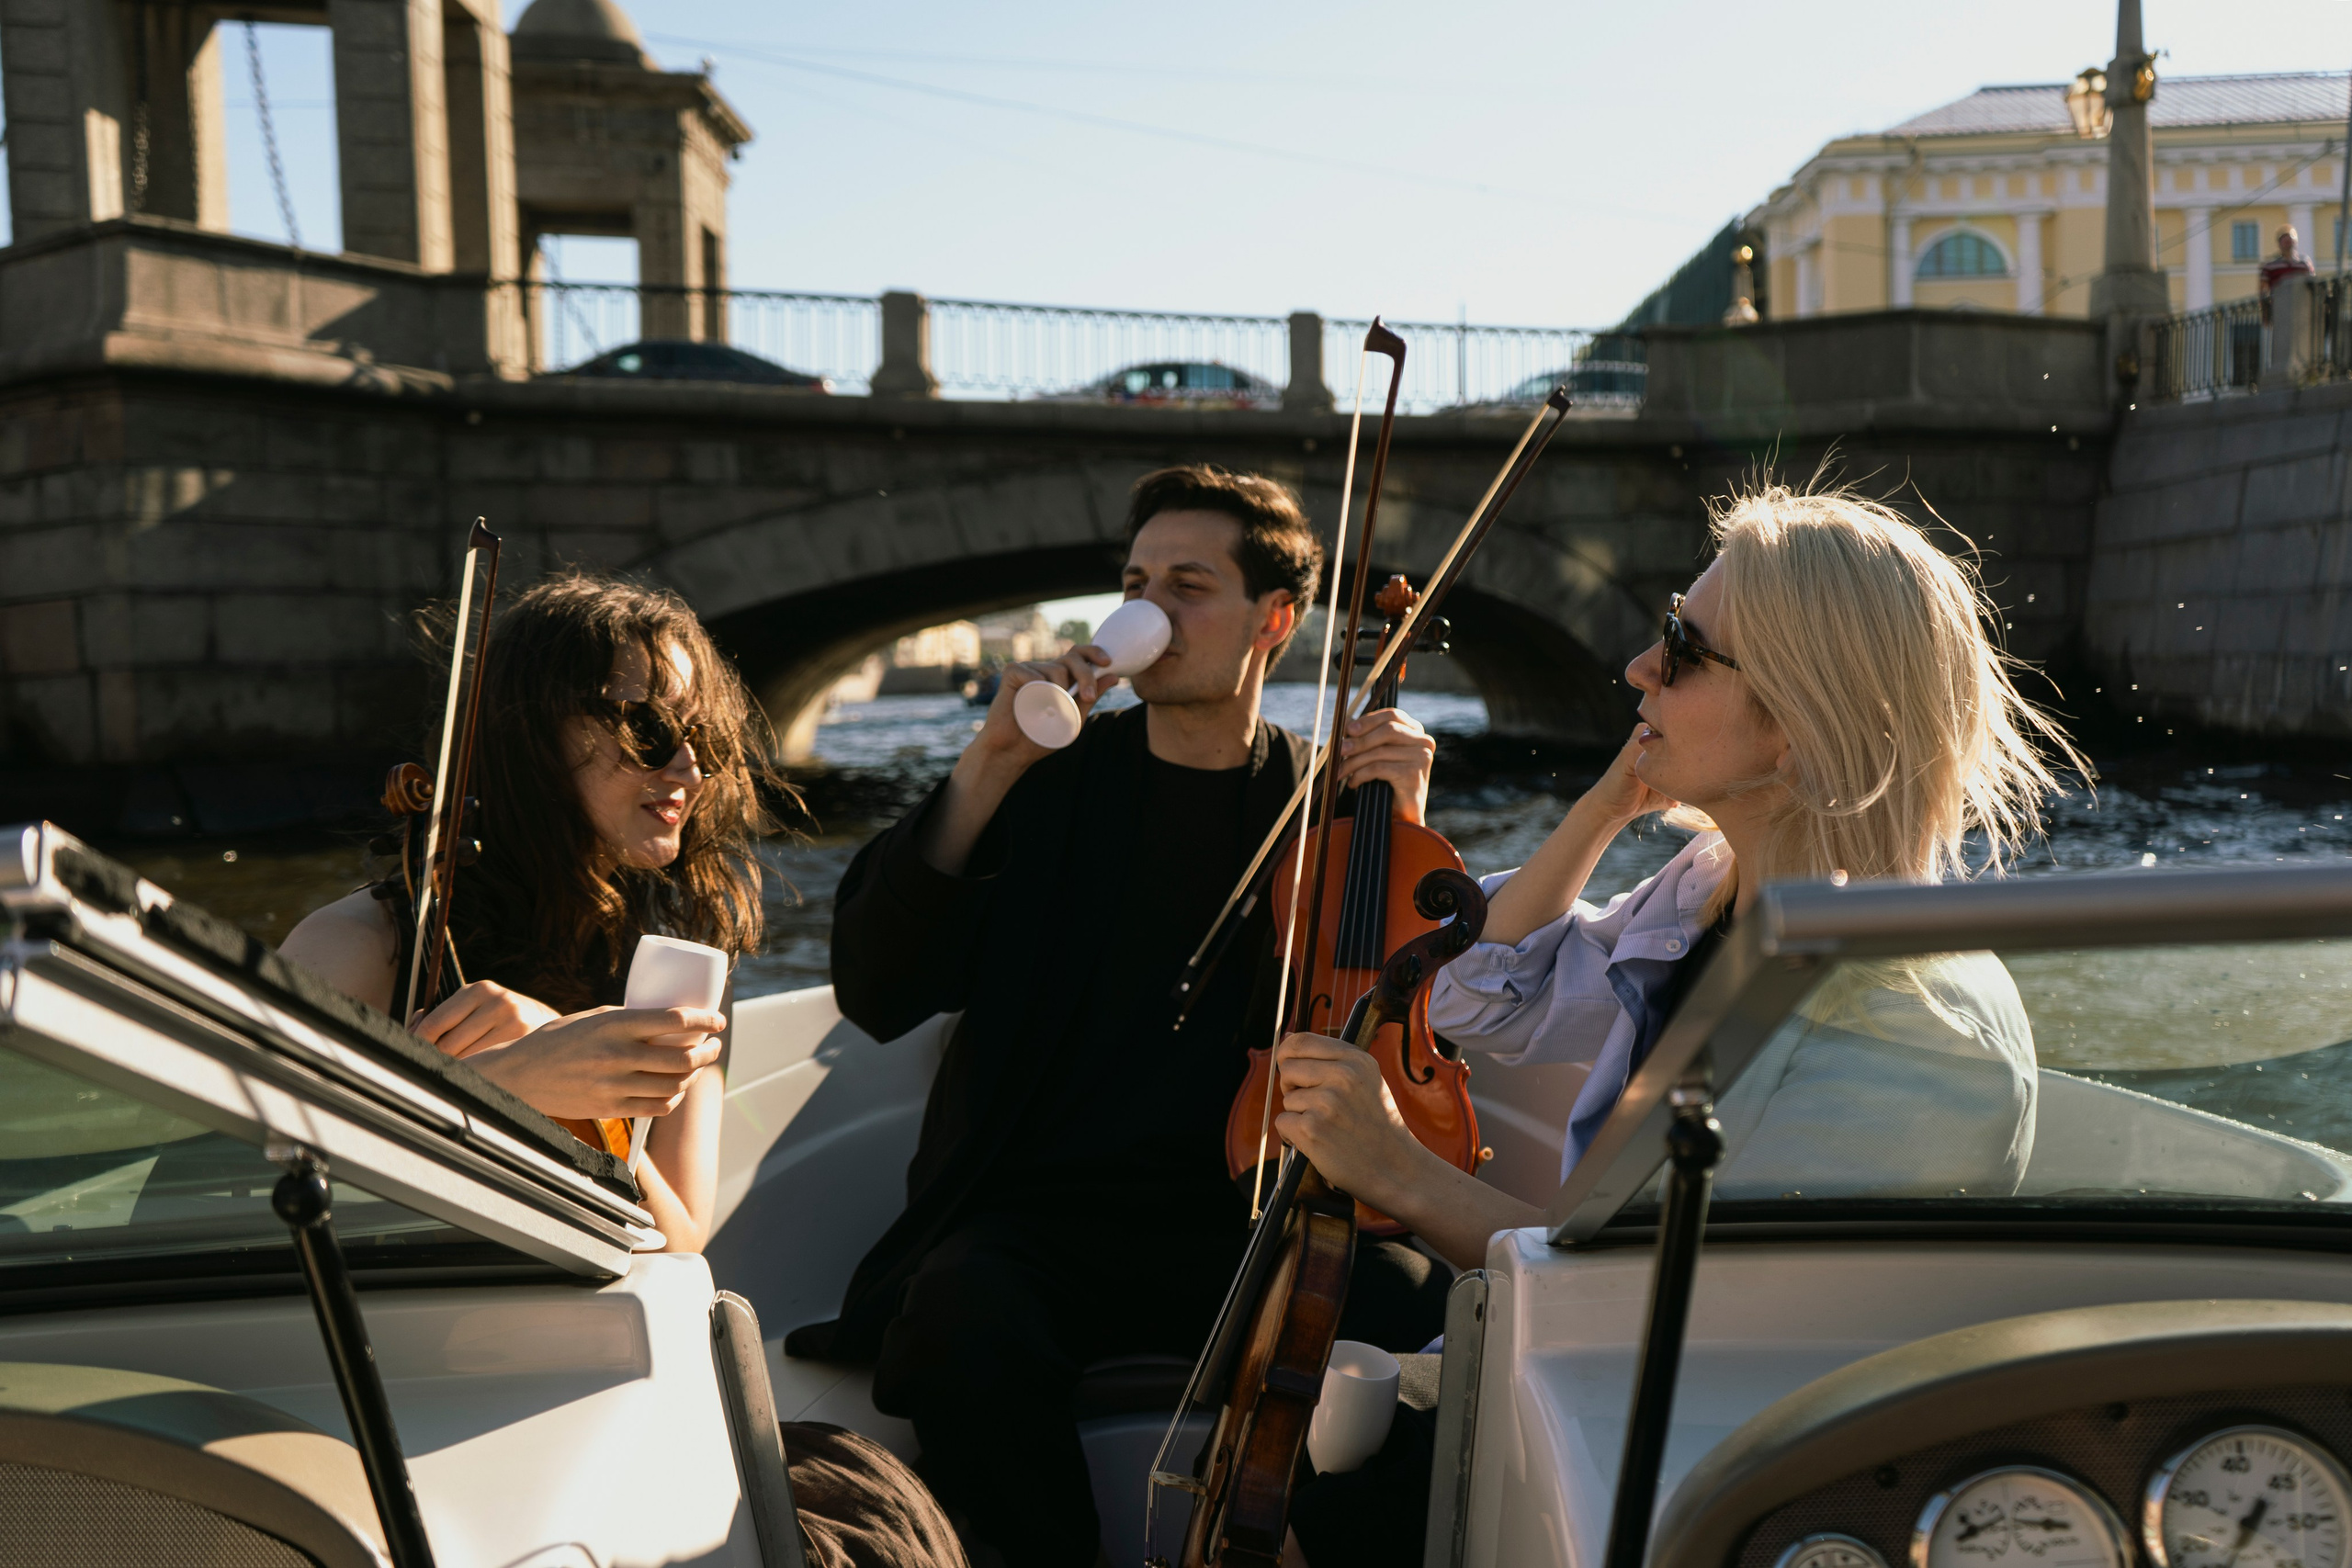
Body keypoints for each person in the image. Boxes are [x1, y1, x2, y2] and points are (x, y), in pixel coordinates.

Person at [1267, 479, 2086, 1564]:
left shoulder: (1908, 1028)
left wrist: (1398, 1170)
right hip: (1597, 1395)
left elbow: (1672, 1314)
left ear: (1798, 733)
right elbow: (1474, 994)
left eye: (1682, 650)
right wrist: (1610, 801)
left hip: (1712, 1490)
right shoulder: (1715, 888)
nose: (1636, 669)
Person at [791, 465, 1453, 1568]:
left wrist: (1399, 832)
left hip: (1248, 1223)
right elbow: (877, 985)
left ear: (1272, 621)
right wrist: (990, 759)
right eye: (1137, 581)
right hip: (1037, 1226)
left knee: (1422, 1320)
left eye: (1188, 585)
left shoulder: (1322, 807)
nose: (1150, 607)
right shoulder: (1041, 783)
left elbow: (1395, 1027)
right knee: (959, 1315)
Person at [285, 572, 973, 1568]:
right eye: (646, 730)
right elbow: (270, 1199)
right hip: (405, 1388)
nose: (687, 766)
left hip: (592, 1372)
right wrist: (509, 1087)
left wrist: (584, 1103)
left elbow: (681, 1233)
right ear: (530, 743)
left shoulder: (676, 963)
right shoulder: (364, 947)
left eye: (701, 734)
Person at [2258, 224, 2316, 321]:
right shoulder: (2270, 265)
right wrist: (2265, 311)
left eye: (2290, 240)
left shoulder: (2304, 262)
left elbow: (2312, 282)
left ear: (2295, 242)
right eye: (2285, 240)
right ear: (2279, 243)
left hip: (2301, 307)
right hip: (2279, 308)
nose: (2288, 242)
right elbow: (2263, 289)